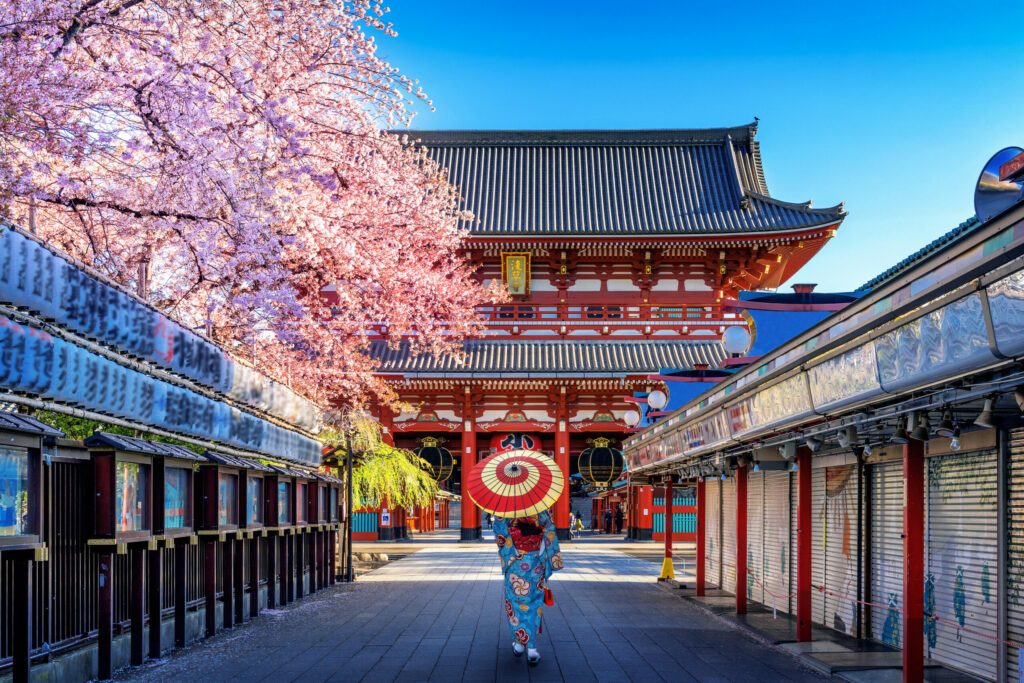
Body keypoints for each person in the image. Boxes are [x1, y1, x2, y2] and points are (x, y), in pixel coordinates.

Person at [492, 509, 562, 666]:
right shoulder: (539, 507)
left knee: (515, 603)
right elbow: (549, 531)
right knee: (534, 602)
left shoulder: (505, 508)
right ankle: (531, 648)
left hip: (515, 562)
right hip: (536, 562)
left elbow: (500, 534)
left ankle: (519, 643)